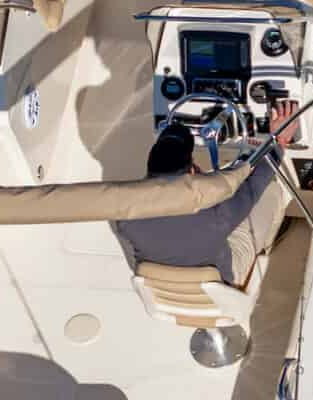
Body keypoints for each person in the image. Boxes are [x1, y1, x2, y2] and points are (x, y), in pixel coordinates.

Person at [116, 100, 301, 289]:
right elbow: (254, 184)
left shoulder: (124, 215)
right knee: (271, 191)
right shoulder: (217, 212)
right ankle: (267, 245)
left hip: (163, 286)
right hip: (220, 286)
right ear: (192, 170)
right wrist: (279, 141)